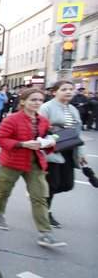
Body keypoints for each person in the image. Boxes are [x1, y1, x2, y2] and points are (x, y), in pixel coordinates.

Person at [0, 88, 66, 246]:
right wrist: (22, 144)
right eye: (33, 100)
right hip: (12, 162)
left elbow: (45, 141)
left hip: (36, 163)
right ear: (23, 101)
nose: (37, 103)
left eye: (40, 100)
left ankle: (45, 233)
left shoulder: (43, 121)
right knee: (3, 192)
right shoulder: (12, 119)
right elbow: (1, 139)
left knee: (40, 197)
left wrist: (49, 143)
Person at [39, 80, 88, 229]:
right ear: (54, 92)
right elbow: (40, 130)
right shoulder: (46, 107)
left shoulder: (73, 109)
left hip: (69, 150)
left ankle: (39, 198)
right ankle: (45, 212)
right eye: (64, 89)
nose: (68, 92)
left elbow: (77, 133)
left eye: (71, 89)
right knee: (52, 184)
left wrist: (81, 153)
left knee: (67, 184)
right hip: (52, 150)